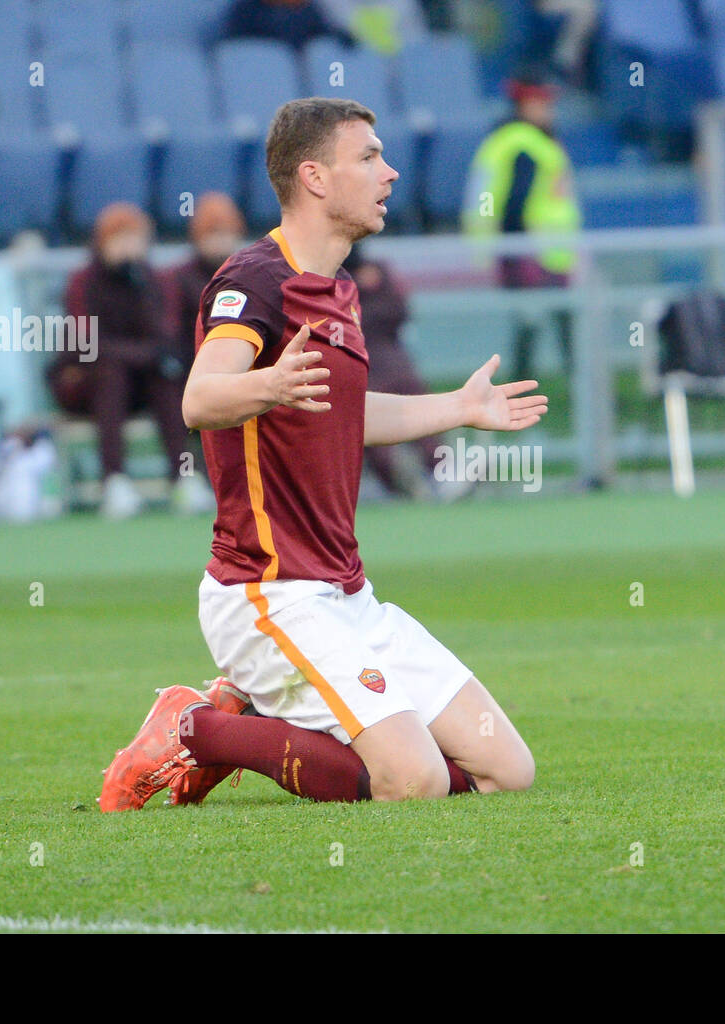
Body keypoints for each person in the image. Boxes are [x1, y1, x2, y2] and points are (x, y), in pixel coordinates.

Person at [98, 98, 545, 810]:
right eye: (368, 157)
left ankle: (267, 724)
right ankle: (197, 729)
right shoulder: (254, 281)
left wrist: (458, 409)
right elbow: (199, 399)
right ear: (314, 177)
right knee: (416, 782)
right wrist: (268, 382)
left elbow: (343, 417)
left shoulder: (337, 290)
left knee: (507, 771)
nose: (390, 172)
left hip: (346, 596)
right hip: (266, 593)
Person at [53, 202, 213, 518]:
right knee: (111, 372)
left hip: (140, 382)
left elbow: (165, 338)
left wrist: (139, 289)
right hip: (89, 383)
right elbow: (85, 345)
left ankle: (183, 477)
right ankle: (114, 480)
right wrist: (141, 354)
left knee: (166, 376)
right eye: (120, 239)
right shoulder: (83, 282)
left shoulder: (153, 280)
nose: (128, 247)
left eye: (134, 239)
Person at [463, 69, 581, 383]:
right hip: (534, 252)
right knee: (534, 321)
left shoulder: (514, 140)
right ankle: (530, 390)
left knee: (548, 320)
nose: (549, 111)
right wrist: (520, 250)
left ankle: (577, 392)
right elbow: (515, 202)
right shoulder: (523, 143)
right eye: (542, 103)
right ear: (525, 105)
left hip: (543, 252)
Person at [342, 243, 468, 500]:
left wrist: (372, 288)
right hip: (355, 365)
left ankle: (441, 472)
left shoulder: (379, 273)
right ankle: (399, 481)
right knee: (365, 423)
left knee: (416, 408)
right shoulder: (327, 279)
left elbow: (398, 312)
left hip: (389, 359)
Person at [169, 192, 248, 382]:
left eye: (227, 233)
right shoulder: (178, 278)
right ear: (198, 237)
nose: (221, 241)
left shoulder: (248, 275)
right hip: (190, 363)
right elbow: (171, 334)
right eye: (214, 234)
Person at [220, 0, 348, 50]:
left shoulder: (308, 11)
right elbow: (239, 48)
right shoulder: (248, 9)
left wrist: (339, 37)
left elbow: (322, 36)